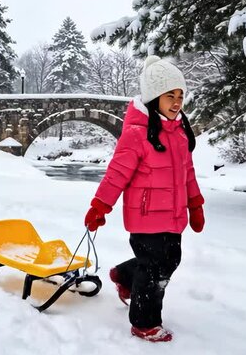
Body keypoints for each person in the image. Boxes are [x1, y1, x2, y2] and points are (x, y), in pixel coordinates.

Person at [84, 55, 205, 342]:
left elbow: (188, 174)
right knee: (154, 270)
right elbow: (117, 174)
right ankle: (144, 321)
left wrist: (195, 204)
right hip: (146, 217)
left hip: (174, 216)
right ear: (153, 98)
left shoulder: (180, 134)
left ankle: (125, 277)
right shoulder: (137, 135)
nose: (177, 102)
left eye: (180, 96)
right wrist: (100, 205)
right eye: (169, 96)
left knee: (169, 260)